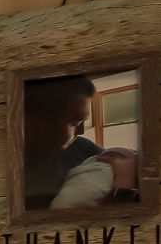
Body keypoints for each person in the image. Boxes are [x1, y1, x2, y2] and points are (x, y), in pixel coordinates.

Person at [22, 74, 138, 211]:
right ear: (31, 124)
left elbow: (126, 158)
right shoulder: (19, 187)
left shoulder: (82, 146)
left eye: (83, 122)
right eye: (75, 123)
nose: (82, 131)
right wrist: (124, 187)